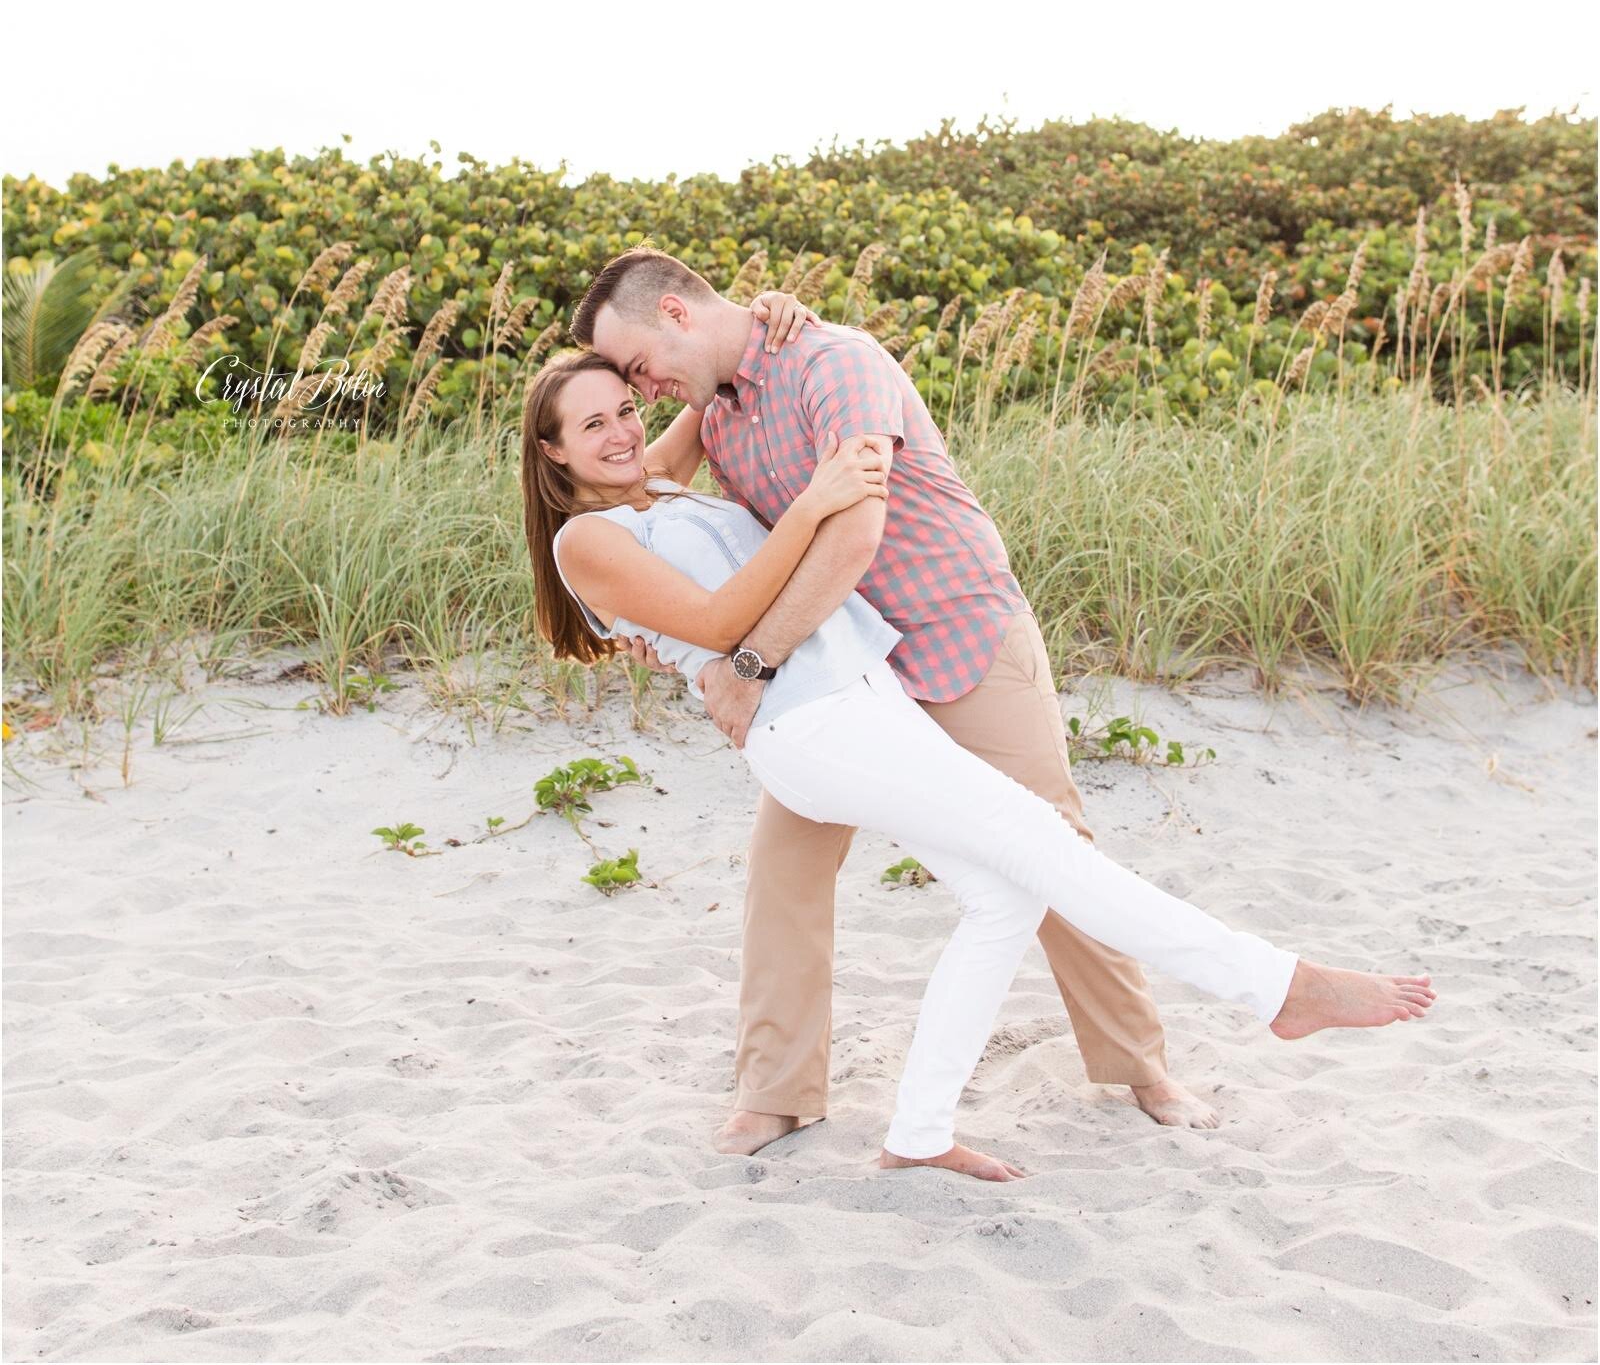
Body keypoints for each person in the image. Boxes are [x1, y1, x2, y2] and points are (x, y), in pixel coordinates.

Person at [521, 342, 1436, 1182]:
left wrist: (768, 319)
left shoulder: (657, 488)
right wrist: (818, 496)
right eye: (590, 424)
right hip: (812, 727)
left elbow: (711, 373)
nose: (620, 432)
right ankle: (1283, 985)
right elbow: (719, 626)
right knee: (1047, 848)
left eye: (624, 410)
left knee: (1006, 897)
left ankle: (918, 1133)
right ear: (553, 452)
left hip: (866, 695)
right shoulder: (586, 541)